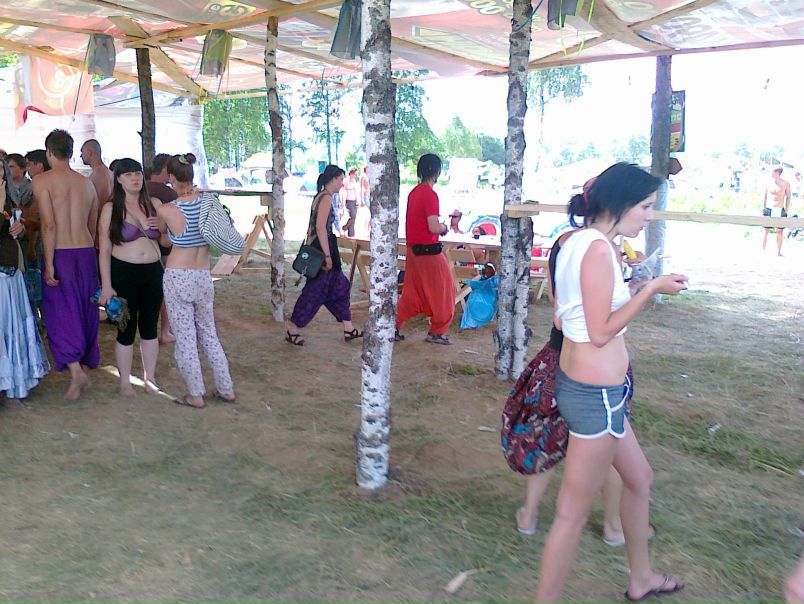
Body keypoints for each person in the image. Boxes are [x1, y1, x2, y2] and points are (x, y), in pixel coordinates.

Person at [534, 163, 688, 603]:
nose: (648, 216)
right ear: (620, 204)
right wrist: (651, 289)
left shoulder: (580, 242)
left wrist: (635, 287)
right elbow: (600, 332)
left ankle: (641, 578)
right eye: (645, 207)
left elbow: (571, 317)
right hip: (594, 396)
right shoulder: (599, 250)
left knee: (639, 478)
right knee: (571, 514)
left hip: (595, 391)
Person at [504, 222, 647, 548]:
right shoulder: (603, 248)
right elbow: (605, 321)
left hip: (557, 356)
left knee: (545, 437)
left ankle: (529, 515)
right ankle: (613, 526)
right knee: (610, 440)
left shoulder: (564, 243)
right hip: (595, 364)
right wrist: (642, 291)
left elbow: (560, 307)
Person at [157, 153, 235, 408]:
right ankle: (225, 388)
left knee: (185, 337)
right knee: (209, 333)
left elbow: (163, 238)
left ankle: (195, 393)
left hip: (178, 273)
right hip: (203, 274)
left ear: (171, 177)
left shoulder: (167, 209)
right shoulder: (209, 204)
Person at [32, 129, 100, 402]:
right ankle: (84, 368)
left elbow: (48, 225)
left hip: (60, 252)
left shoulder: (42, 181)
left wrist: (49, 263)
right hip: (85, 251)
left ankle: (75, 370)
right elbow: (92, 226)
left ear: (49, 152)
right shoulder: (87, 184)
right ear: (71, 152)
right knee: (85, 308)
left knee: (60, 312)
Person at [98, 158, 166, 397]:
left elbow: (168, 241)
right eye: (128, 175)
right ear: (118, 179)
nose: (134, 178)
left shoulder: (155, 204)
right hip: (123, 272)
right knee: (126, 329)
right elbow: (104, 250)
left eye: (137, 173)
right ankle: (125, 381)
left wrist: (162, 226)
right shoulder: (111, 209)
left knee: (150, 327)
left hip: (153, 271)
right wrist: (106, 285)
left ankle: (150, 378)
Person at [285, 165, 363, 346]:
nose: (342, 184)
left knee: (340, 288)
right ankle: (293, 330)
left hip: (324, 248)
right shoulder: (326, 198)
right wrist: (327, 256)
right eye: (341, 180)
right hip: (322, 251)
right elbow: (320, 228)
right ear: (333, 179)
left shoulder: (321, 196)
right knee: (313, 293)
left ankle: (348, 328)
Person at [0, 166, 50, 402]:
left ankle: (13, 382)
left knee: (11, 328)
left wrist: (19, 228)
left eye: (1, 171)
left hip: (10, 270)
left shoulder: (8, 197)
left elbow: (14, 232)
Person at [395, 154, 455, 345]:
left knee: (412, 293)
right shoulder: (430, 195)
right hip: (429, 252)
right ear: (437, 172)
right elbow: (433, 227)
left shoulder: (414, 192)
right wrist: (444, 227)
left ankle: (392, 325)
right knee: (445, 291)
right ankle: (437, 331)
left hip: (413, 251)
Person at [146, 152, 177, 344]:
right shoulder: (170, 194)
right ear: (165, 170)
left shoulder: (138, 189)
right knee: (166, 292)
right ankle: (164, 331)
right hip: (164, 251)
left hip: (137, 251)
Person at [762, 166, 791, 256]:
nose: (771, 174)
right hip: (769, 208)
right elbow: (765, 196)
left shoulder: (786, 183)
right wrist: (764, 207)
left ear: (778, 172)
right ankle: (763, 250)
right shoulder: (769, 183)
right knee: (766, 231)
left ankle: (778, 251)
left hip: (779, 208)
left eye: (773, 172)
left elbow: (788, 197)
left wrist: (786, 209)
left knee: (779, 231)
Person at [80, 139, 114, 210]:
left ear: (89, 153)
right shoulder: (101, 171)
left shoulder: (100, 174)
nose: (81, 156)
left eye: (82, 152)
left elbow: (102, 202)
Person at [340, 167, 359, 237]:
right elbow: (343, 191)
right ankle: (344, 227)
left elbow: (356, 191)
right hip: (348, 200)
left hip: (354, 200)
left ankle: (351, 233)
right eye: (354, 174)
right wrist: (343, 201)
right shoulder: (346, 181)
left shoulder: (354, 181)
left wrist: (357, 200)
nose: (355, 176)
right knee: (353, 216)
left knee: (354, 217)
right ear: (351, 173)